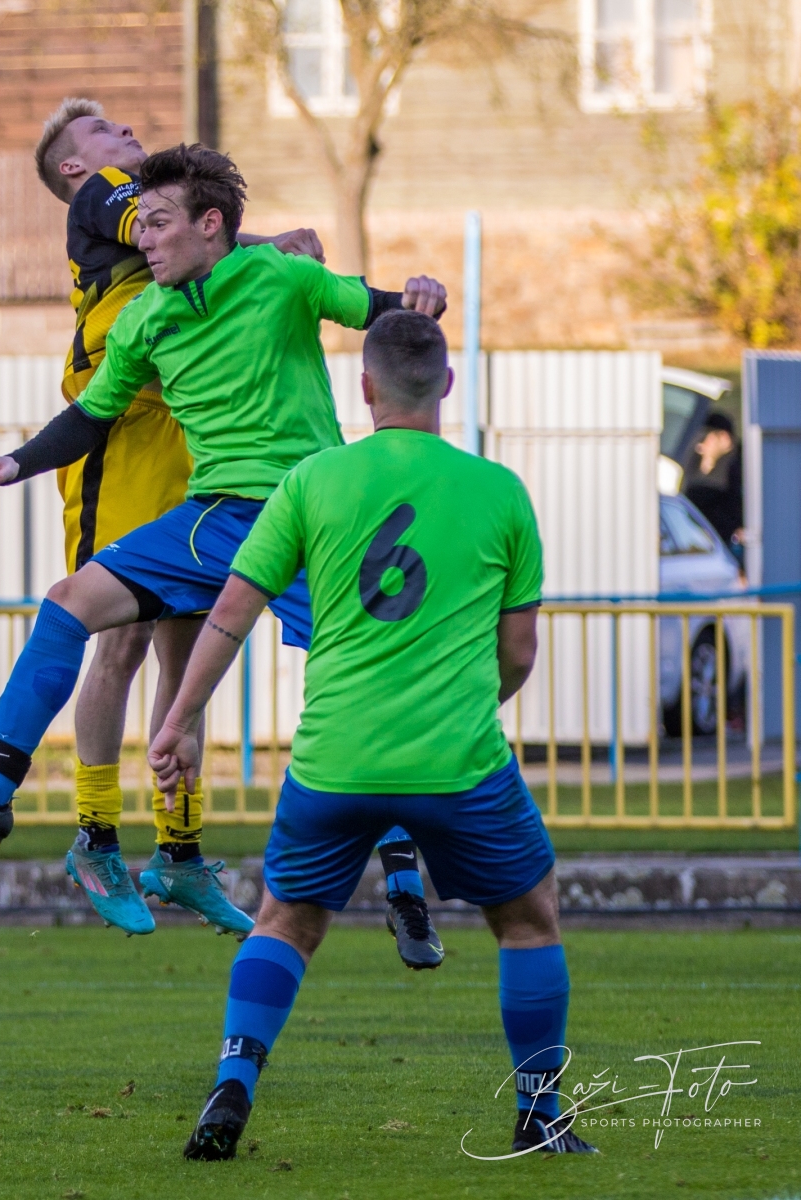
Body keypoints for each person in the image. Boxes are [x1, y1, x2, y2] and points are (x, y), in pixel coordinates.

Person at [0, 143, 448, 963]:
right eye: (140, 225)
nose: (143, 239)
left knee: (360, 687)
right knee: (68, 603)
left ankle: (403, 885)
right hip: (212, 516)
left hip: (306, 515)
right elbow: (92, 416)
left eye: (157, 223)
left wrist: (422, 297)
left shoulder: (283, 279)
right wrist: (16, 460)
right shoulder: (147, 317)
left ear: (210, 225)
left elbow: (382, 311)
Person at [148, 309, 595, 1161]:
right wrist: (472, 701)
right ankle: (539, 1113)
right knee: (529, 918)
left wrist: (178, 722)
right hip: (458, 762)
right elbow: (518, 652)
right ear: (447, 385)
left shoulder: (312, 480)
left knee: (285, 922)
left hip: (335, 760)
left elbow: (232, 612)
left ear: (364, 388)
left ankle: (233, 1082)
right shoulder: (500, 491)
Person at [28, 98, 324, 938]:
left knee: (187, 657)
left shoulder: (163, 223)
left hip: (190, 455)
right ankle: (95, 836)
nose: (123, 132)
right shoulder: (104, 196)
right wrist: (274, 243)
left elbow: (208, 249)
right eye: (101, 132)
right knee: (119, 642)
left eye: (120, 126)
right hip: (120, 452)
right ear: (74, 166)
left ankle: (181, 850)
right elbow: (202, 236)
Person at [684, 410, 744, 563]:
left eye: (705, 438)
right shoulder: (697, 468)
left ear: (724, 439)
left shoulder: (737, 472)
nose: (699, 446)